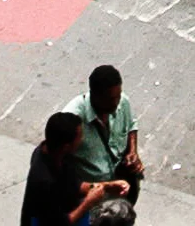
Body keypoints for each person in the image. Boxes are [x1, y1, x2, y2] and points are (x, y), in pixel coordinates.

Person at [60, 64, 142, 204]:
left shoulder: (122, 101)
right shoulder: (73, 119)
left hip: (122, 186)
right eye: (110, 99)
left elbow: (131, 125)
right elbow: (58, 161)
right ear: (95, 95)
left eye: (118, 96)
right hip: (92, 198)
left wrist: (132, 152)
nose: (116, 103)